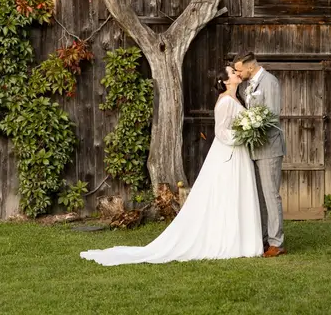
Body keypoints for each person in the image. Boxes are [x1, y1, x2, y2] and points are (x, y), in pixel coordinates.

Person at [80, 65, 262, 265]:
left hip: (238, 153)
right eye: (233, 72)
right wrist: (242, 135)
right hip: (229, 153)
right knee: (226, 193)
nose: (237, 73)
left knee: (237, 192)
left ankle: (241, 240)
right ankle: (228, 240)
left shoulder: (237, 99)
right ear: (226, 81)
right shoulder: (225, 101)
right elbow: (221, 132)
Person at [233, 52, 287, 257]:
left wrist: (252, 126)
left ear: (250, 67)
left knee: (271, 195)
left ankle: (276, 242)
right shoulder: (246, 85)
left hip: (269, 148)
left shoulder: (269, 82)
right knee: (259, 197)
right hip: (253, 149)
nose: (238, 74)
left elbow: (272, 115)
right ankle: (263, 239)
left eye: (239, 70)